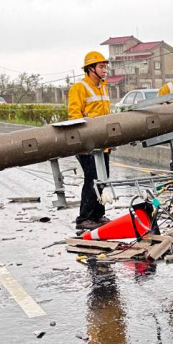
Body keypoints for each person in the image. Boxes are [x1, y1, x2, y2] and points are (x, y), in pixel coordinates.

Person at [68, 51, 112, 230]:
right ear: (90, 69)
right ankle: (83, 218)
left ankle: (97, 214)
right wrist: (82, 141)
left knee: (102, 178)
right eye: (101, 67)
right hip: (87, 144)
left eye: (105, 67)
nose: (104, 70)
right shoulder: (80, 88)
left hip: (103, 143)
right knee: (91, 178)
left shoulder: (103, 87)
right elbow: (74, 115)